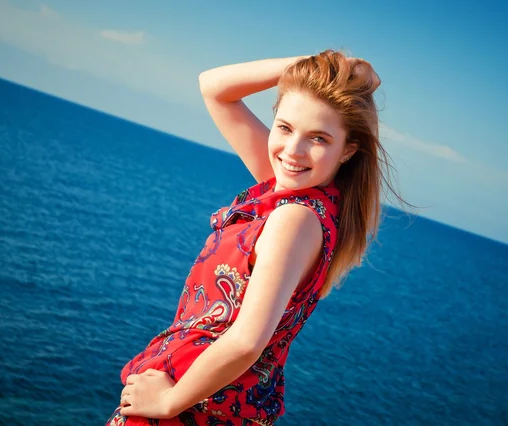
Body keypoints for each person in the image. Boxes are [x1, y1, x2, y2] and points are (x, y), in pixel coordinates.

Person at [107, 49, 392, 425]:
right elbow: (214, 88)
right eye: (285, 127)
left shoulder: (294, 218)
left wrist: (169, 402)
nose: (293, 150)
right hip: (204, 400)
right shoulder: (299, 195)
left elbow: (247, 341)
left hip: (190, 407)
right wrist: (317, 64)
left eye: (319, 138)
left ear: (348, 151)